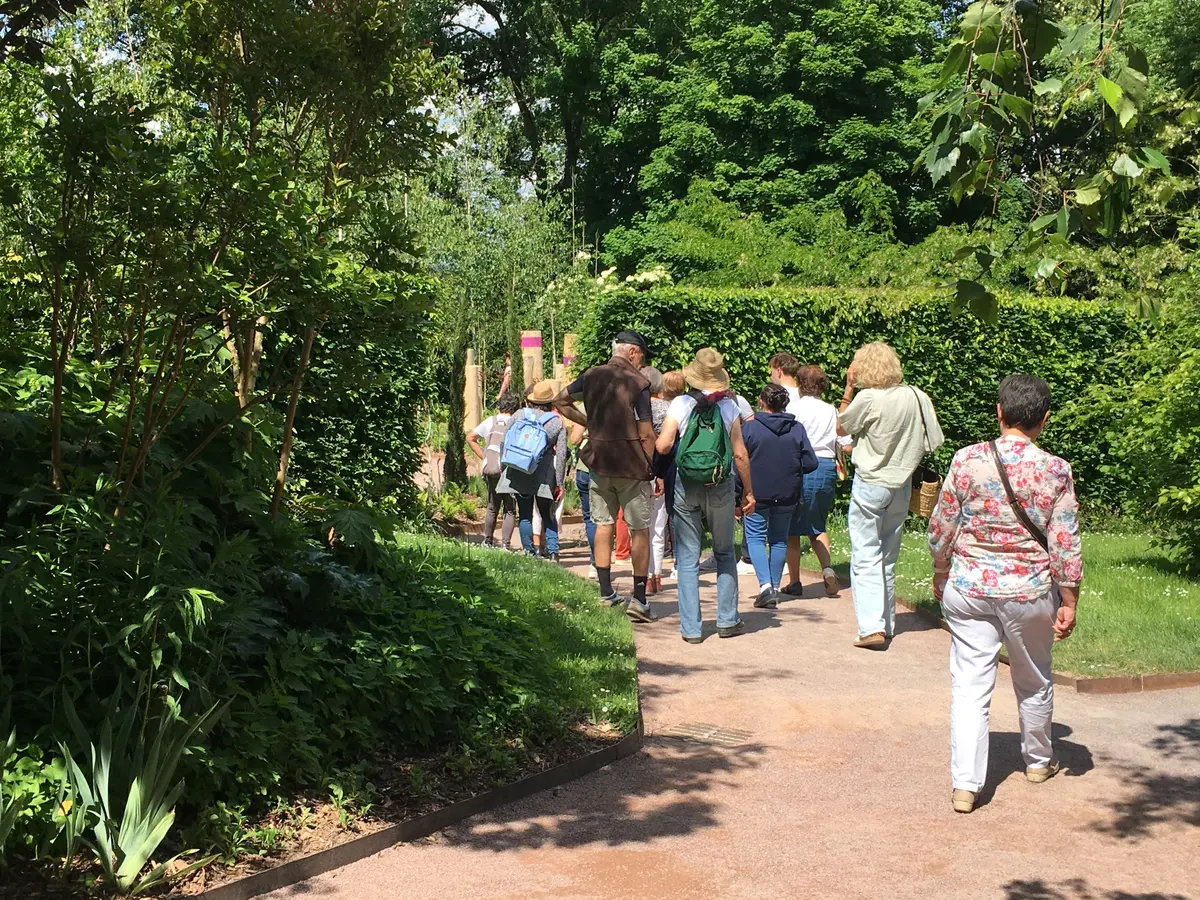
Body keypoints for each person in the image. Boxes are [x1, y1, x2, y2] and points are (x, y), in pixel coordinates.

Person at [928, 374, 1082, 815]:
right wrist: (1069, 600)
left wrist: (941, 570)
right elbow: (1065, 542)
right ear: (1045, 419)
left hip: (970, 588)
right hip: (1030, 591)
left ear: (999, 411)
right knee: (1033, 678)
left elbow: (941, 527)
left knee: (970, 687)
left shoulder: (967, 460)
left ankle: (965, 785)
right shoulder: (1055, 470)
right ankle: (1037, 761)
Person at [838, 342, 943, 649]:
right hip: (902, 484)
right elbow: (932, 440)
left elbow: (840, 427)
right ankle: (887, 623)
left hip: (871, 483)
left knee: (865, 554)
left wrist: (848, 389)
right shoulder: (916, 396)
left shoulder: (868, 398)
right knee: (887, 557)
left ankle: (871, 626)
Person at [555, 331, 657, 623]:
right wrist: (652, 467)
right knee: (639, 530)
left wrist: (588, 423)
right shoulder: (639, 383)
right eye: (642, 356)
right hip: (632, 467)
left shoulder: (591, 376)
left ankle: (605, 592)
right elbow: (647, 432)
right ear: (634, 353)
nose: (642, 362)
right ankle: (638, 599)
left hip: (599, 464)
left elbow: (561, 400)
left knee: (603, 525)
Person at [656, 348, 756, 643]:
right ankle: (727, 621)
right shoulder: (729, 409)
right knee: (725, 552)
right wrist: (748, 492)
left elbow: (663, 446)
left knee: (687, 557)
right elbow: (740, 455)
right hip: (721, 485)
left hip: (686, 485)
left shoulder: (680, 404)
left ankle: (691, 629)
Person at [771, 360, 845, 598]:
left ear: (801, 384)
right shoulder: (831, 409)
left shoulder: (795, 407)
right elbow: (842, 442)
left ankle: (794, 582)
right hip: (825, 467)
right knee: (817, 524)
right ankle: (827, 568)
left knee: (791, 527)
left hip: (800, 466)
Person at [740, 383, 818, 608]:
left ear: (762, 402)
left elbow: (740, 462)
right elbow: (811, 462)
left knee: (755, 538)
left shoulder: (750, 429)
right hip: (787, 493)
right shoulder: (797, 428)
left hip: (756, 493)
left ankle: (765, 586)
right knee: (779, 540)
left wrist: (740, 493)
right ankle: (773, 587)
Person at [497, 380, 566, 559]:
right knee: (547, 513)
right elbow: (562, 455)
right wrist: (559, 482)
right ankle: (553, 552)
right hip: (543, 474)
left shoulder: (518, 415)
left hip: (519, 469)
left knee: (525, 513)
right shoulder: (556, 422)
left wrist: (504, 466)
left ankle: (529, 552)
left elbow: (504, 442)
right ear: (550, 403)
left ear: (530, 400)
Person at [466, 389, 521, 549]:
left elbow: (470, 437)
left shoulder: (491, 420)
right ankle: (505, 544)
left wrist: (485, 455)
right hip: (509, 469)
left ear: (501, 405)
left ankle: (488, 541)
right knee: (509, 509)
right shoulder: (516, 423)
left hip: (491, 469)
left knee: (492, 506)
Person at [643, 366, 671, 595]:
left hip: (639, 470)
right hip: (664, 470)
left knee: (641, 526)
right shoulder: (668, 408)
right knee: (659, 526)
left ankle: (644, 577)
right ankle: (657, 576)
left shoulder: (634, 409)